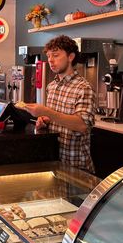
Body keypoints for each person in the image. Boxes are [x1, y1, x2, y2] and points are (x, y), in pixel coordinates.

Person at [23, 35, 96, 173]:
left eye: (55, 55)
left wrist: (46, 112)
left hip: (76, 167)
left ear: (71, 57)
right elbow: (56, 118)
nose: (50, 60)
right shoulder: (51, 86)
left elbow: (82, 125)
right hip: (54, 163)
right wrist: (44, 120)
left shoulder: (83, 88)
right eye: (49, 56)